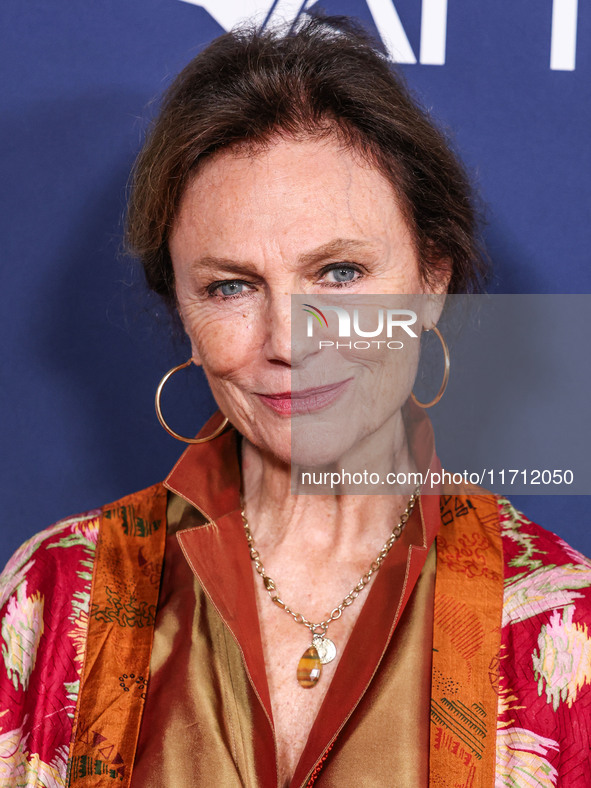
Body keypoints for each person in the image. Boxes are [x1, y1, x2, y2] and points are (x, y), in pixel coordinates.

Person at [1, 13, 590, 788]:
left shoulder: (559, 623)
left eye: (339, 273)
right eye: (231, 287)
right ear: (182, 310)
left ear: (430, 280)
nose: (290, 339)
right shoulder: (53, 595)